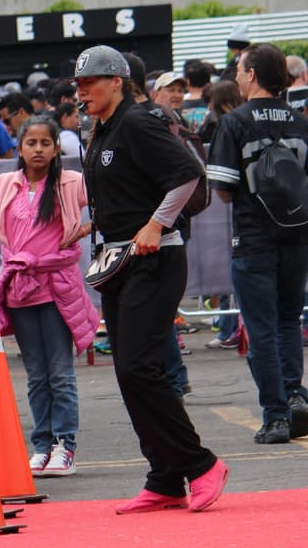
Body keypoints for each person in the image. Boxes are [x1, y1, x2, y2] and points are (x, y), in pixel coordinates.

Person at [74, 45, 227, 514]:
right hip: (122, 259)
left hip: (156, 258)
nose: (81, 93)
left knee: (141, 368)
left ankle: (200, 465)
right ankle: (164, 477)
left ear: (117, 80)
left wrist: (157, 223)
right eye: (78, 85)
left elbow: (187, 174)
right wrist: (92, 223)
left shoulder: (139, 120)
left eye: (90, 83)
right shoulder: (102, 128)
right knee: (130, 372)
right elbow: (125, 187)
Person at [0, 116, 98, 476]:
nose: (38, 149)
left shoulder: (72, 182)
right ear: (19, 148)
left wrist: (83, 229)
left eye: (45, 143)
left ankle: (65, 446)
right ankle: (42, 444)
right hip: (20, 289)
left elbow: (113, 200)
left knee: (60, 372)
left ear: (55, 149)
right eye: (31, 143)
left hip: (58, 287)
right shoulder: (5, 184)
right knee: (36, 373)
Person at [206, 42, 308, 443]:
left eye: (239, 69)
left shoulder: (234, 123)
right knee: (287, 321)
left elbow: (224, 190)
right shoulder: (300, 121)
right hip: (297, 236)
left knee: (261, 327)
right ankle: (294, 398)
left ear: (251, 75)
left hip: (252, 237)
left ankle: (276, 416)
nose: (235, 75)